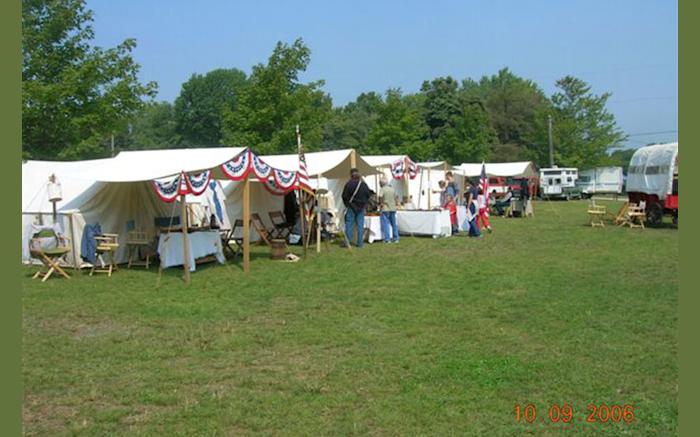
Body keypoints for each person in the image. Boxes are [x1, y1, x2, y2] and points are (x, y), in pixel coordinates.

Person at [341, 168, 371, 247]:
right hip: (361, 208)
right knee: (360, 225)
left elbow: (344, 196)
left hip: (351, 207)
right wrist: (363, 203)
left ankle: (348, 242)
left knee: (349, 224)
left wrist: (347, 204)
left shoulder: (348, 184)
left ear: (351, 175)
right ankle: (360, 243)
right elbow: (368, 195)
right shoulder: (363, 185)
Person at [378, 177, 400, 243]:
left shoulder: (382, 189)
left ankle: (387, 239)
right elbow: (396, 197)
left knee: (386, 224)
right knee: (394, 224)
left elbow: (380, 197)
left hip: (385, 208)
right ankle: (396, 238)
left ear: (381, 183)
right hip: (393, 208)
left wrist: (381, 203)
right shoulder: (392, 189)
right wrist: (396, 203)